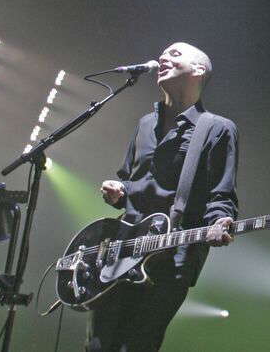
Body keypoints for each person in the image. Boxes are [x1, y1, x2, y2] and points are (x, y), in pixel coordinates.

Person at [90, 42, 239, 351]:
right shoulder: (145, 124)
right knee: (98, 345)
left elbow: (220, 194)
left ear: (198, 70)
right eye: (163, 54)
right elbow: (133, 183)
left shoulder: (218, 129)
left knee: (138, 344)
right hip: (121, 252)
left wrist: (221, 221)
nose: (162, 57)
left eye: (175, 54)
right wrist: (120, 192)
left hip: (170, 258)